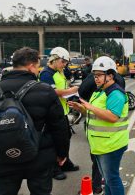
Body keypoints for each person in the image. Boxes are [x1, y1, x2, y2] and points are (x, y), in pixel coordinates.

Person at [0, 47, 69, 195]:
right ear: (31, 66)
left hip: (2, 157)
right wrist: (61, 153)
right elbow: (59, 127)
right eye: (38, 67)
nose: (38, 70)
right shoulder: (45, 90)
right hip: (39, 156)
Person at [69, 56, 129, 195]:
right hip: (100, 143)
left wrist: (89, 106)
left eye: (99, 75)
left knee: (112, 179)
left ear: (110, 75)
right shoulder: (99, 91)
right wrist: (81, 108)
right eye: (94, 75)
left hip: (111, 144)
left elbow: (112, 117)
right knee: (107, 180)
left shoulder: (115, 93)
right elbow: (94, 114)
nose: (96, 79)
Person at [39, 47, 79, 180]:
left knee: (65, 138)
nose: (64, 65)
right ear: (54, 59)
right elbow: (53, 92)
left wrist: (71, 94)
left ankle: (65, 162)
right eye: (63, 61)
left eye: (65, 62)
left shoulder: (59, 71)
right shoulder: (46, 73)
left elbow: (65, 85)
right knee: (55, 142)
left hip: (62, 111)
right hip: (51, 114)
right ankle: (54, 168)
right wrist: (72, 90)